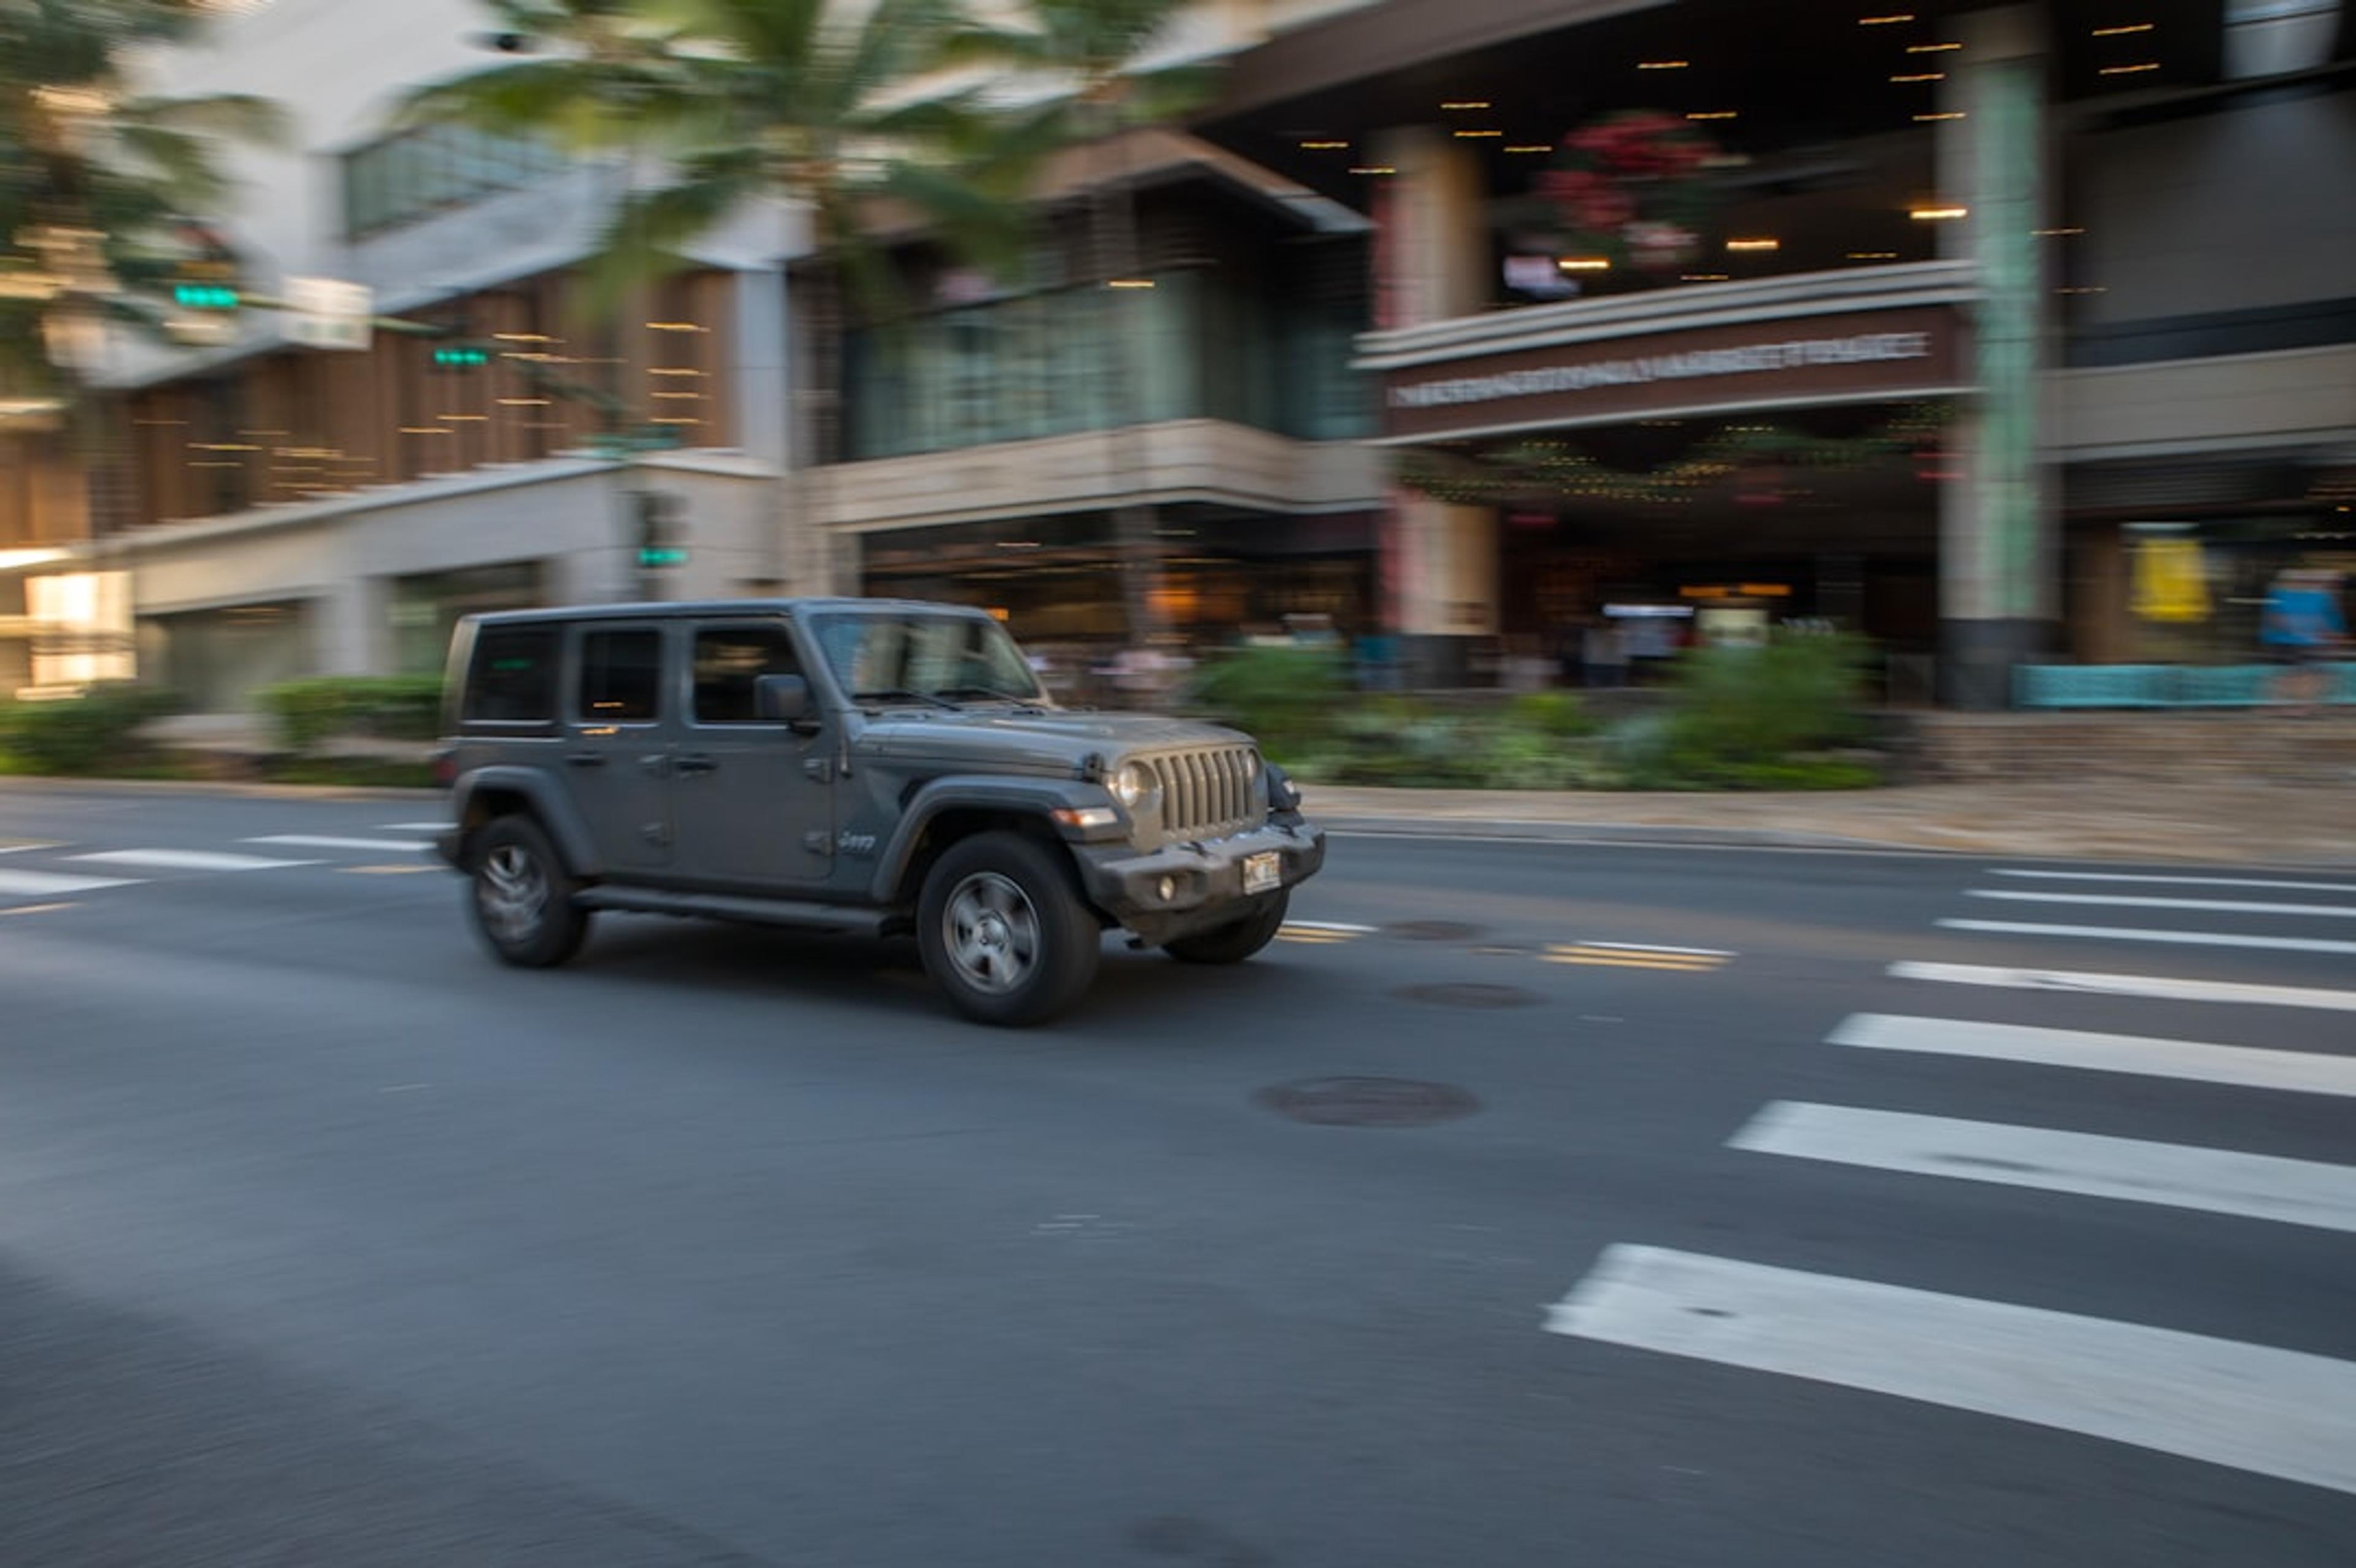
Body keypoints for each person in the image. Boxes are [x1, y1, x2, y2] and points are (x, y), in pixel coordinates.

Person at [2259, 566, 2347, 715]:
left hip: (2297, 641)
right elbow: (2276, 619)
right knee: (2306, 674)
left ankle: (2287, 704)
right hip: (2300, 641)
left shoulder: (2283, 594)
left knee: (2298, 674)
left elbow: (2274, 618)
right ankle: (2297, 705)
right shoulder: (2317, 596)